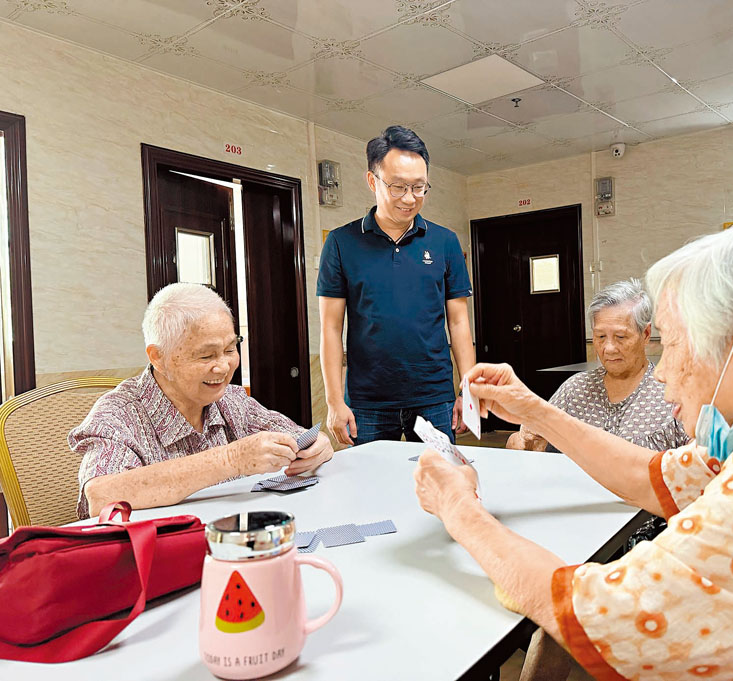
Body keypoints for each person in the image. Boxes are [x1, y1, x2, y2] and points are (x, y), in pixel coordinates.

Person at [414, 225, 733, 680]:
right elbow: (654, 476)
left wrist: (459, 507)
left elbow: (596, 612)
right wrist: (534, 410)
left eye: (672, 345)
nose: (664, 372)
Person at [71, 283, 333, 519]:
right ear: (158, 357)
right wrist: (232, 459)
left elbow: (293, 435)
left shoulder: (231, 399)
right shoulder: (117, 414)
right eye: (206, 356)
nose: (223, 367)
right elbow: (100, 496)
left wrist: (315, 446)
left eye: (230, 350)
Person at [317, 125, 474, 446]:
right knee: (371, 492)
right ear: (372, 181)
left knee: (439, 487)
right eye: (399, 187)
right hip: (367, 401)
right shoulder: (341, 242)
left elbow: (459, 323)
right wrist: (334, 402)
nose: (410, 198)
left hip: (434, 396)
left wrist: (467, 391)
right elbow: (330, 329)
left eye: (419, 187)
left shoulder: (445, 242)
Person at [507, 279, 686, 453]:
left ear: (646, 334)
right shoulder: (574, 390)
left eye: (620, 337)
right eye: (600, 337)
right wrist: (523, 441)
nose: (608, 348)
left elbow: (700, 463)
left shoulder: (672, 393)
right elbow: (527, 445)